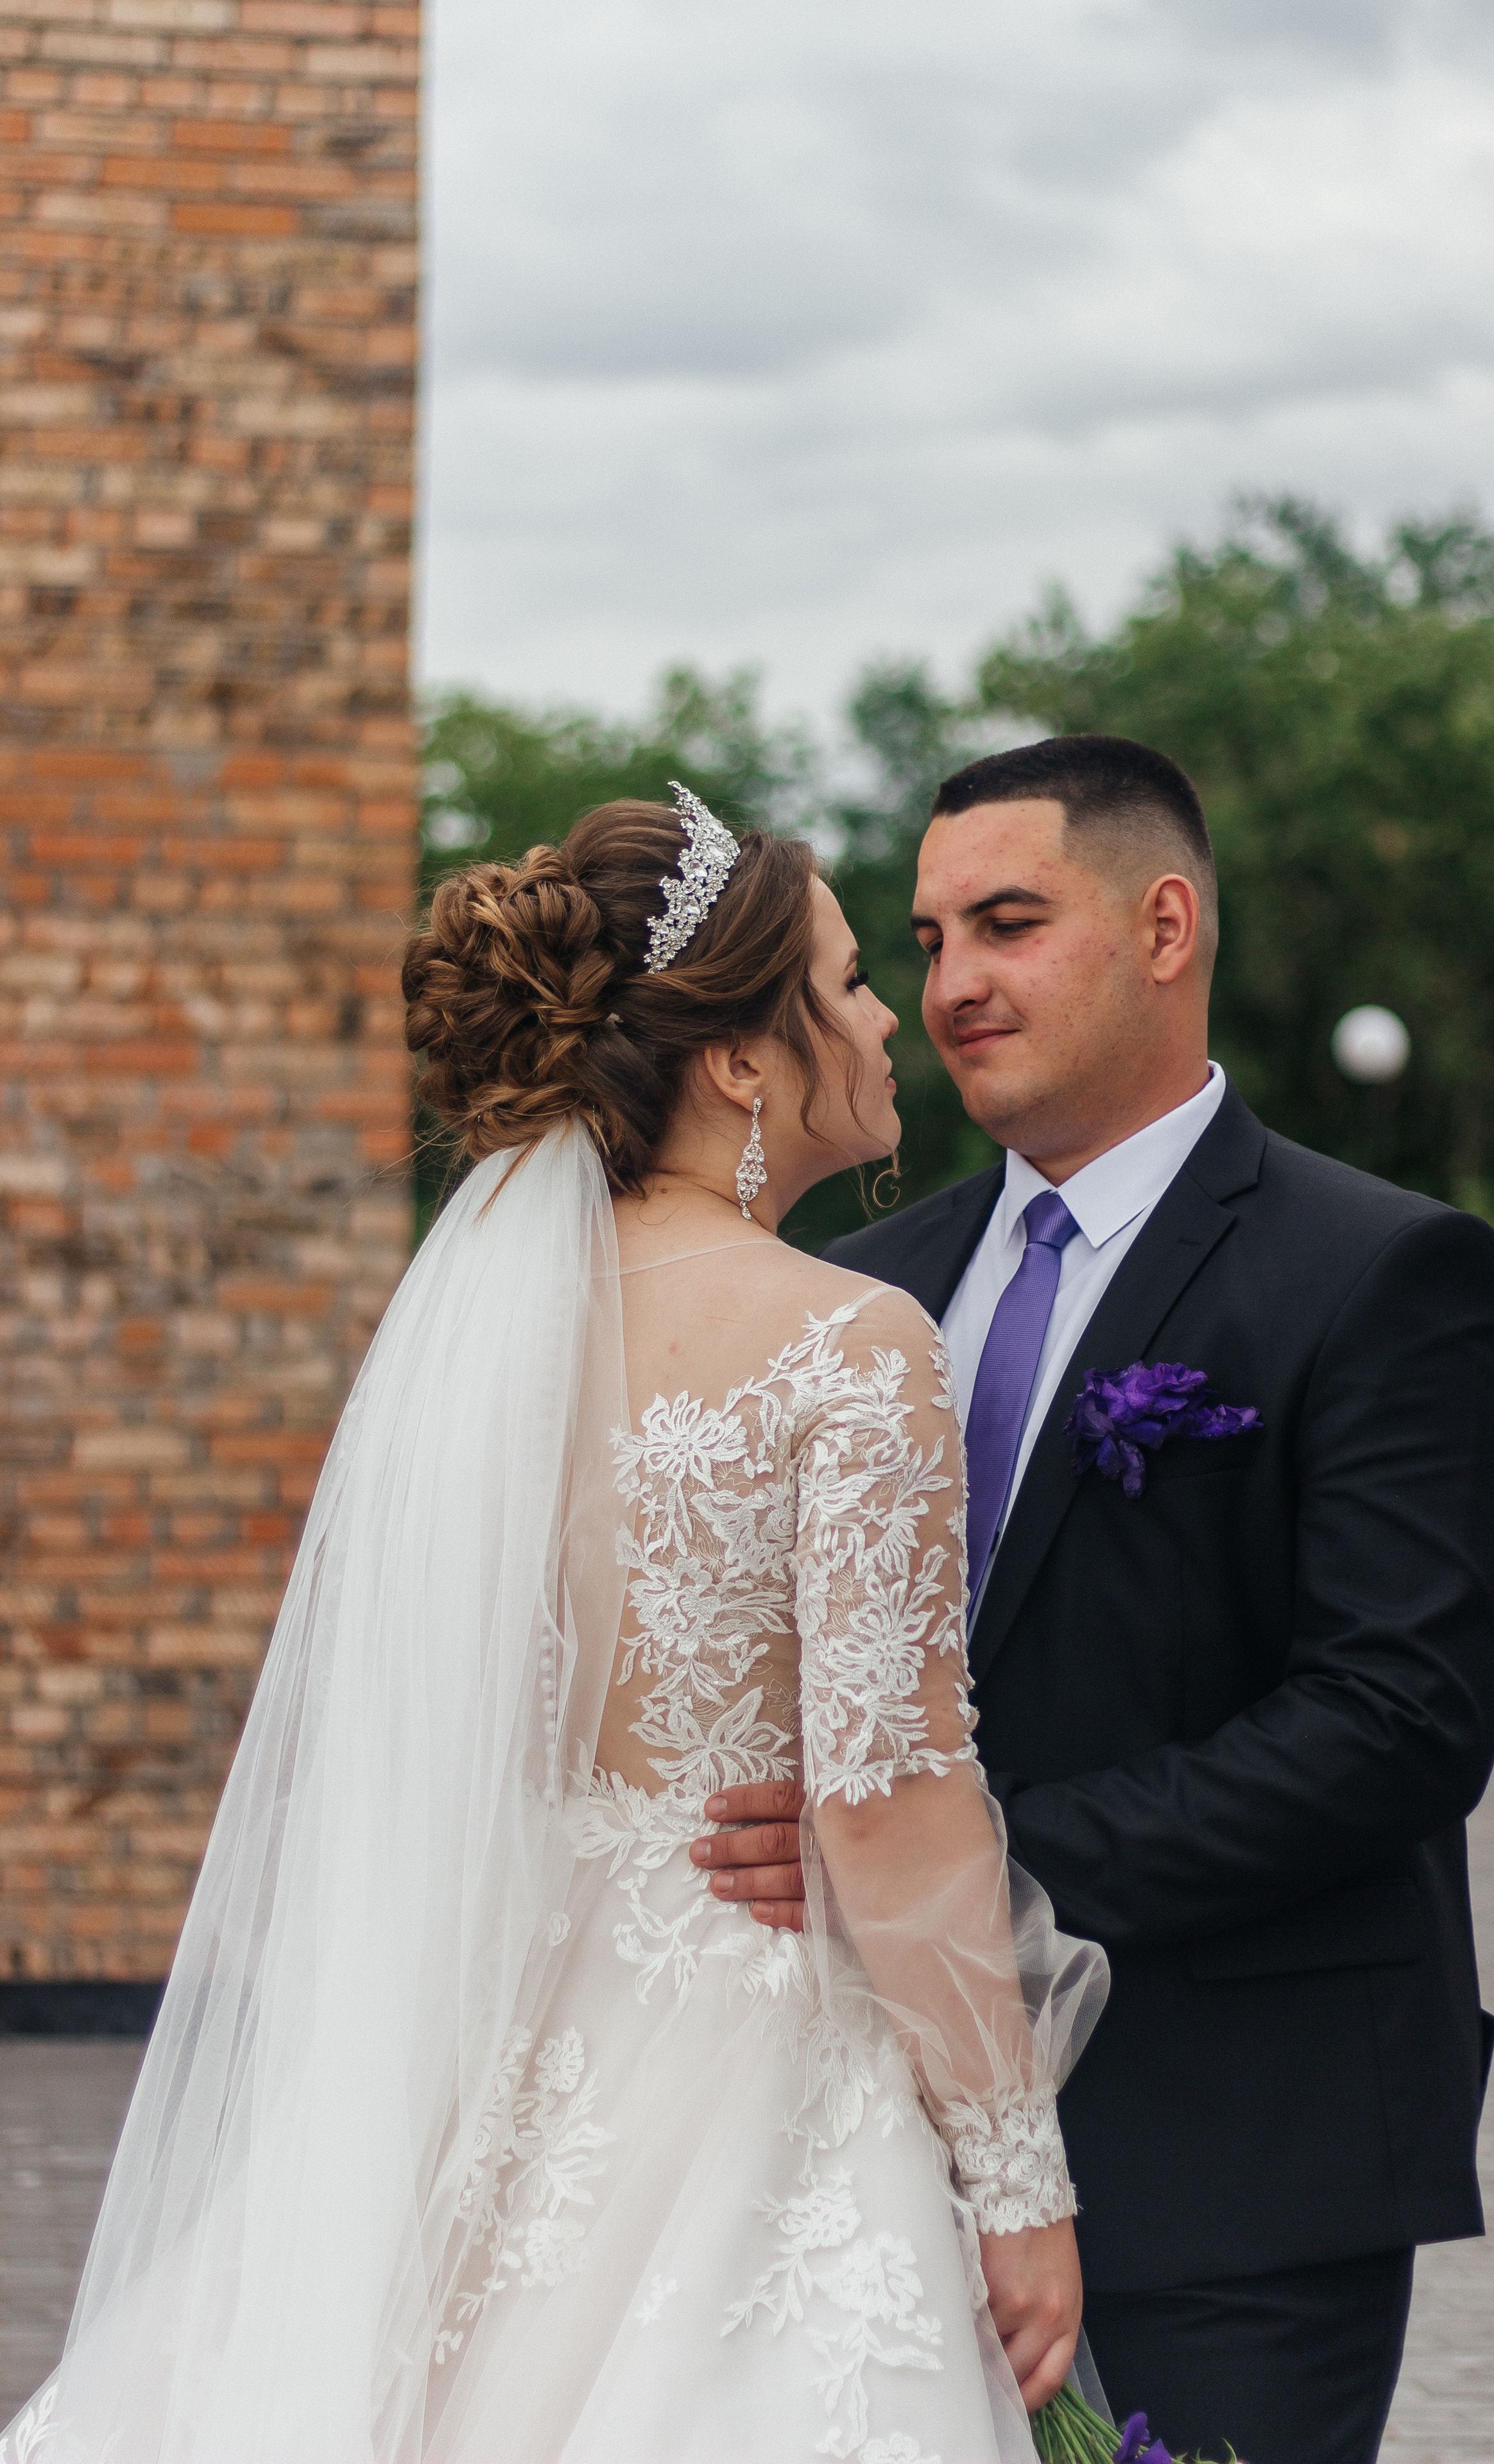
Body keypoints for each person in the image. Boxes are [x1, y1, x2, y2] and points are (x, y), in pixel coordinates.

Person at [0, 787, 1110, 2464]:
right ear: (740, 1060)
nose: (891, 1016)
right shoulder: (851, 1343)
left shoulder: (479, 1347)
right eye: (849, 979)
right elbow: (890, 1803)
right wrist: (1019, 2183)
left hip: (501, 2030)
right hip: (750, 2042)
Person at [696, 735, 1494, 2464]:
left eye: (1008, 924)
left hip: (1238, 2157)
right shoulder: (853, 1290)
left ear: (1165, 928)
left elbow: (1396, 1727)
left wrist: (952, 1871)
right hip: (866, 2155)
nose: (953, 984)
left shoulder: (1384, 1273)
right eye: (927, 942)